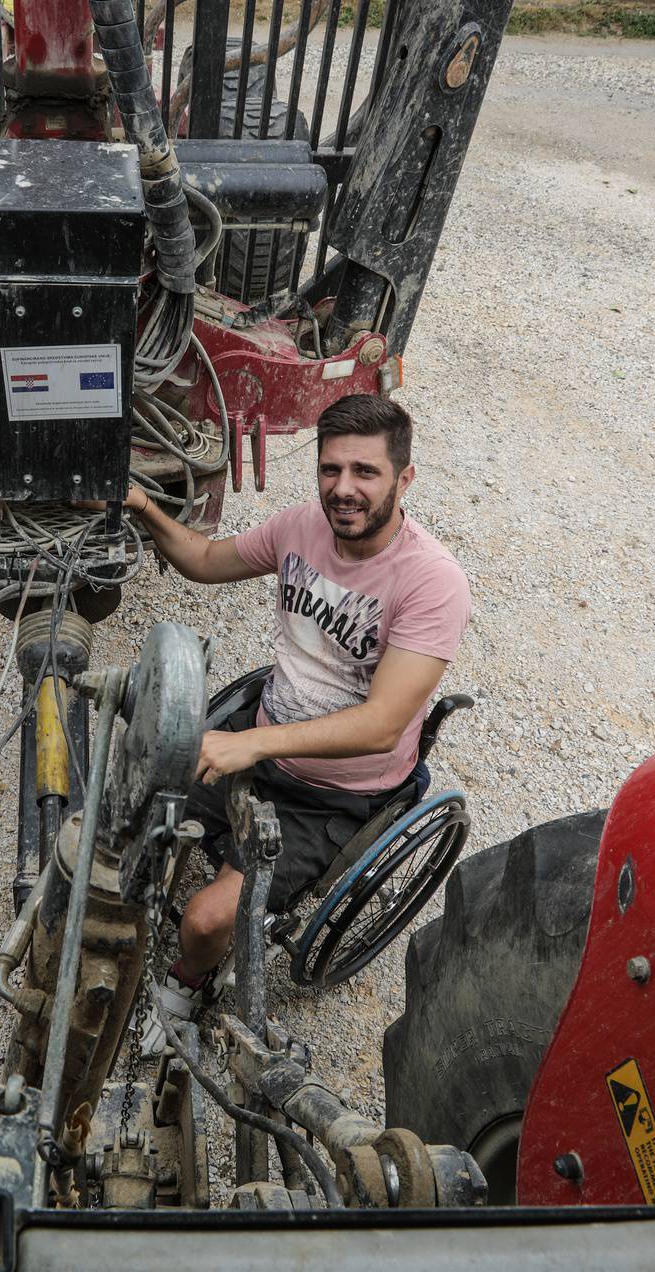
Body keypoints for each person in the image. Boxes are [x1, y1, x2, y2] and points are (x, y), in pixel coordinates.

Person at [126, 394, 470, 1046]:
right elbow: (202, 561)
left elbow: (381, 725)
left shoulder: (432, 582)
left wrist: (249, 744)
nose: (343, 489)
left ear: (405, 478)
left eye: (365, 472)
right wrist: (142, 507)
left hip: (330, 795)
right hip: (259, 739)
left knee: (202, 923)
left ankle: (183, 989)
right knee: (133, 808)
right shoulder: (301, 527)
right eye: (330, 469)